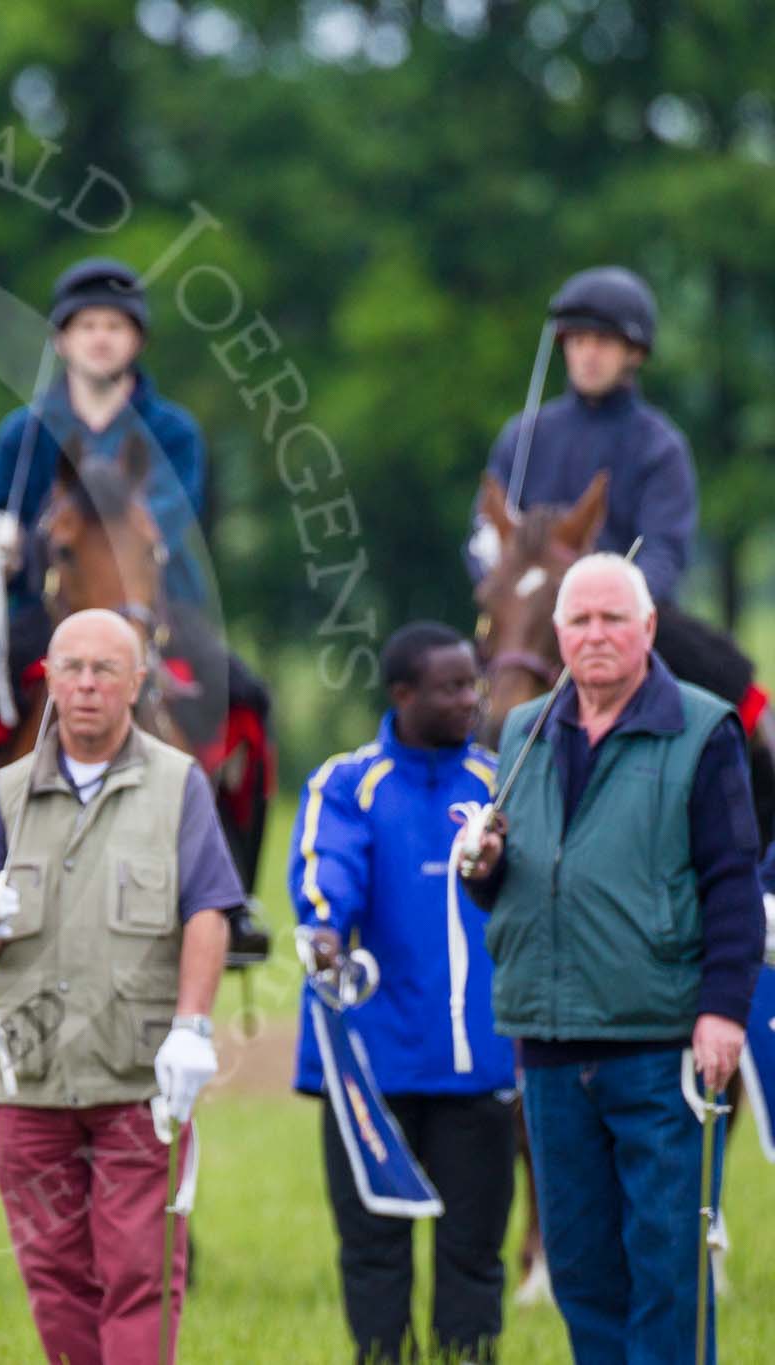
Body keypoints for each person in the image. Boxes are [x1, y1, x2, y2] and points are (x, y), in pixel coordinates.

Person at [462, 553, 763, 1363]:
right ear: (556, 633)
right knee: (584, 1273)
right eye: (580, 621)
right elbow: (521, 885)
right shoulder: (523, 731)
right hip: (551, 1046)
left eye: (612, 619)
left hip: (659, 1043)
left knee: (665, 1271)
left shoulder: (700, 729)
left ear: (649, 629)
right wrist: (483, 866)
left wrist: (723, 1010)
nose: (595, 635)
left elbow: (733, 878)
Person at [0, 608, 244, 1364]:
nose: (86, 684)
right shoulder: (7, 791)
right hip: (31, 1082)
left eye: (105, 669)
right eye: (72, 667)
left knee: (140, 1272)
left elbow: (209, 907)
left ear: (137, 682)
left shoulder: (179, 786)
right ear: (47, 677)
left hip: (137, 1077)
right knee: (53, 1275)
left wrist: (194, 1027)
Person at [289, 622, 515, 1363]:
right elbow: (327, 879)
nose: (470, 699)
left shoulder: (500, 780)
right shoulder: (347, 782)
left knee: (474, 1246)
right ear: (402, 693)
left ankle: (467, 1354)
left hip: (478, 1060)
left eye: (474, 682)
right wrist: (324, 931)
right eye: (451, 686)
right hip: (368, 1065)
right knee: (374, 1245)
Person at [0, 258, 210, 609]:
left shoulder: (175, 432)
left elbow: (166, 521)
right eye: (86, 326)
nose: (100, 338)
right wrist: (0, 550)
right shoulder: (20, 434)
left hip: (159, 611)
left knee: (226, 667)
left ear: (138, 340)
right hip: (44, 614)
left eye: (115, 326)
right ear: (60, 340)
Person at [469, 266, 695, 602]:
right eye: (577, 340)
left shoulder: (660, 448)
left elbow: (664, 553)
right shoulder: (523, 434)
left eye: (603, 341)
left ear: (634, 352)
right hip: (530, 621)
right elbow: (483, 537)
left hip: (620, 621)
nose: (588, 354)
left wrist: (602, 607)